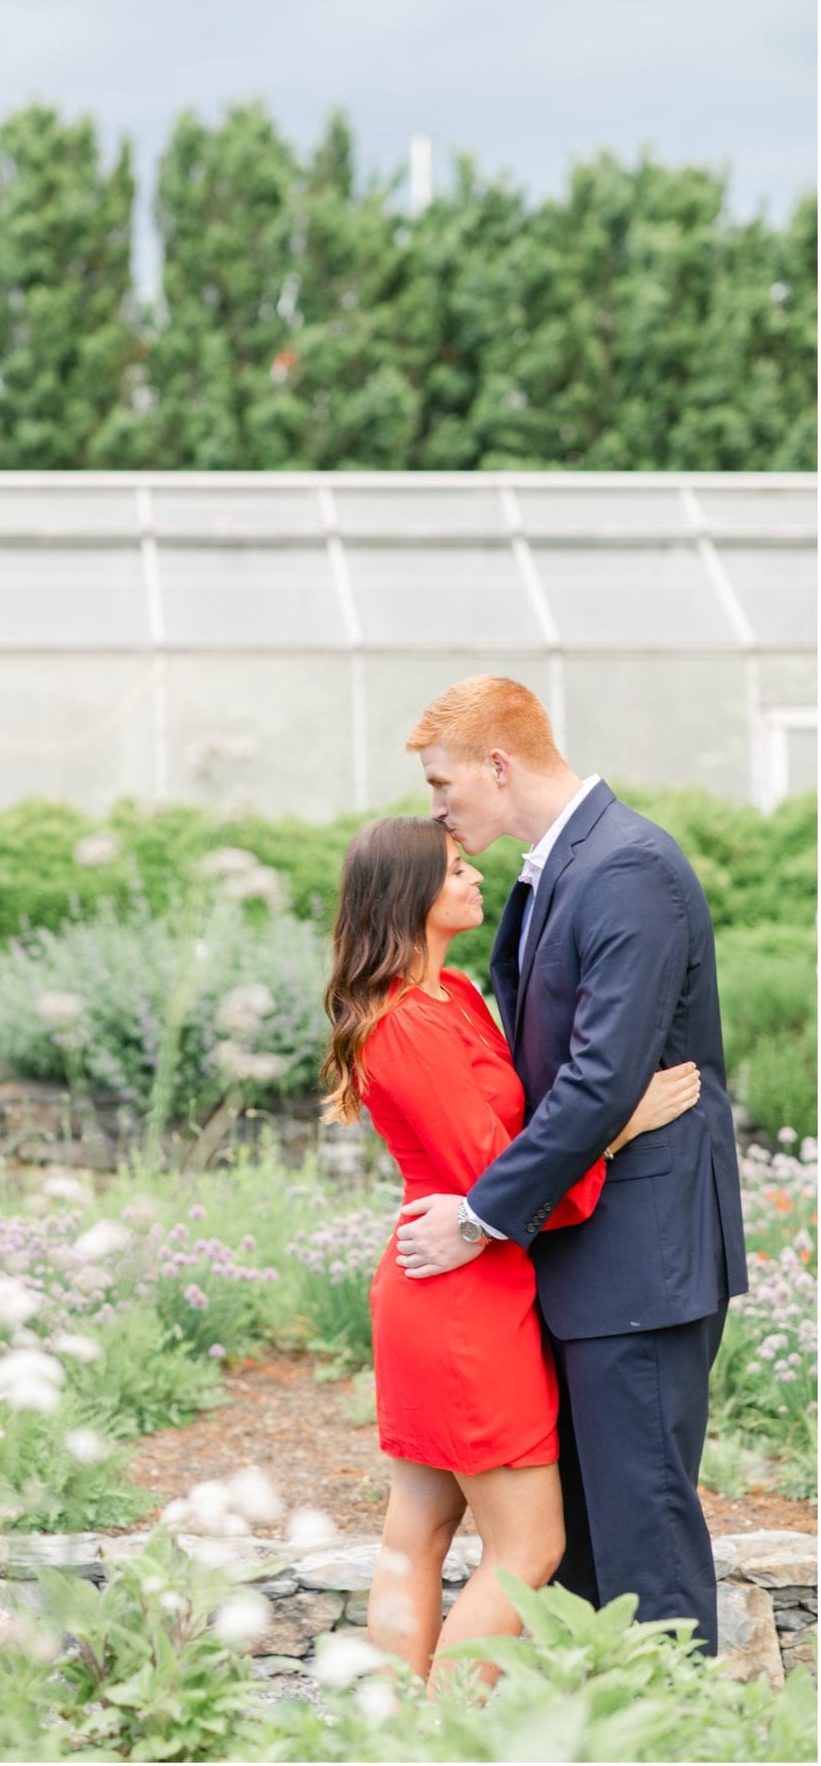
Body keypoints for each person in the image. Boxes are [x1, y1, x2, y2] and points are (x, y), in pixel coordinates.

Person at [394, 674, 747, 1661]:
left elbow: (598, 1080)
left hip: (639, 1262)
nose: (435, 809)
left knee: (640, 1530)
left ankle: (677, 1733)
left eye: (440, 782)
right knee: (589, 1538)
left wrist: (476, 1216)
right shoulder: (558, 869)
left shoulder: (625, 866)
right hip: (584, 1250)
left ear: (497, 766)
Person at [320, 814, 700, 1687]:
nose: (474, 878)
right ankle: (446, 1737)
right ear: (409, 893)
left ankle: (393, 1739)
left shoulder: (450, 994)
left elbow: (510, 1141)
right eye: (455, 869)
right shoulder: (408, 1022)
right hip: (460, 1295)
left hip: (450, 1280)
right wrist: (615, 1128)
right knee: (531, 1544)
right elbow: (495, 1175)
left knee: (416, 1531)